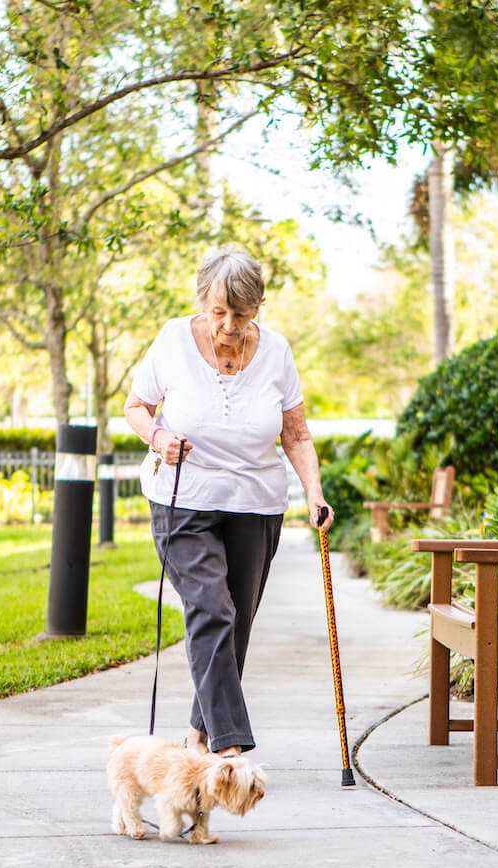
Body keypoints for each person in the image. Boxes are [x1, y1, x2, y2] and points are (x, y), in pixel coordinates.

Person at [123, 244, 332, 759]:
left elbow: (296, 435)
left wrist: (315, 493)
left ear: (259, 305)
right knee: (211, 609)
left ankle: (197, 735)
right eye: (219, 312)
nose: (229, 325)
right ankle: (228, 747)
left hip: (257, 503)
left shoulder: (277, 352)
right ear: (203, 302)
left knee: (236, 622)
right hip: (183, 498)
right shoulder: (173, 340)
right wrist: (157, 439)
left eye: (242, 313)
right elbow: (136, 406)